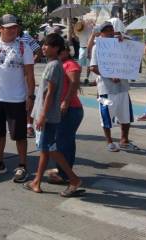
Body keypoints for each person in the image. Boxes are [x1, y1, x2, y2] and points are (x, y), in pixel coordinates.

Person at [0, 14, 35, 182]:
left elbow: (30, 75)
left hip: (16, 99)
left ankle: (23, 166)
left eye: (15, 27)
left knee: (19, 135)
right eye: (8, 27)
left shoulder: (24, 47)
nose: (12, 30)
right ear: (0, 28)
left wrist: (30, 96)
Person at [24, 33, 83, 196]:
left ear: (56, 48)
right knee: (46, 149)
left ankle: (73, 178)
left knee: (49, 148)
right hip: (49, 114)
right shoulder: (54, 64)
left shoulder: (53, 66)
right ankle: (37, 181)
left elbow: (50, 93)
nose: (43, 47)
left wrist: (42, 115)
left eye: (47, 45)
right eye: (43, 44)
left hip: (49, 115)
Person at [89, 21, 141, 152]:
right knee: (106, 117)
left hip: (123, 87)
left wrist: (124, 39)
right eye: (106, 30)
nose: (109, 32)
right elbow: (93, 67)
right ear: (101, 33)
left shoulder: (120, 43)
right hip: (106, 89)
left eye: (111, 30)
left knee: (126, 116)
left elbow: (134, 45)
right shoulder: (97, 47)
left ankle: (124, 140)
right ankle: (110, 142)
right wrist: (110, 76)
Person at [47, 43, 84, 185]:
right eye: (59, 51)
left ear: (67, 52)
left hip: (70, 109)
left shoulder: (69, 64)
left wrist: (66, 102)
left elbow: (74, 83)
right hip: (64, 109)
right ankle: (63, 170)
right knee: (64, 141)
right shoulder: (58, 64)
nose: (60, 53)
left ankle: (64, 174)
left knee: (64, 142)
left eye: (63, 51)